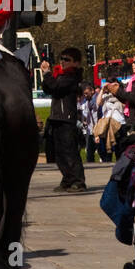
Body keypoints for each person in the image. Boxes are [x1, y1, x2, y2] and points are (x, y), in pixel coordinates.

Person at [41, 48, 87, 192]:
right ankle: (67, 178)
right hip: (57, 117)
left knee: (69, 150)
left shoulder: (72, 76)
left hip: (66, 117)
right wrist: (46, 75)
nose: (63, 62)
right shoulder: (60, 75)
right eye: (62, 58)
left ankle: (78, 181)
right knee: (59, 152)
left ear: (76, 63)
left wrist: (48, 74)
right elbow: (48, 89)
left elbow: (56, 87)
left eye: (67, 59)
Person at [104, 51, 135, 139]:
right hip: (134, 121)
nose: (133, 64)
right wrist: (115, 91)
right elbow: (127, 100)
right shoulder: (134, 80)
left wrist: (118, 91)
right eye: (133, 62)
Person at [78, 83, 103, 162]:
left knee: (101, 151)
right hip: (89, 129)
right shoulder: (86, 102)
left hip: (97, 129)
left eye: (86, 93)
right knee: (89, 152)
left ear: (92, 91)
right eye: (84, 94)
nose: (85, 95)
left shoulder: (96, 100)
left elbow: (96, 107)